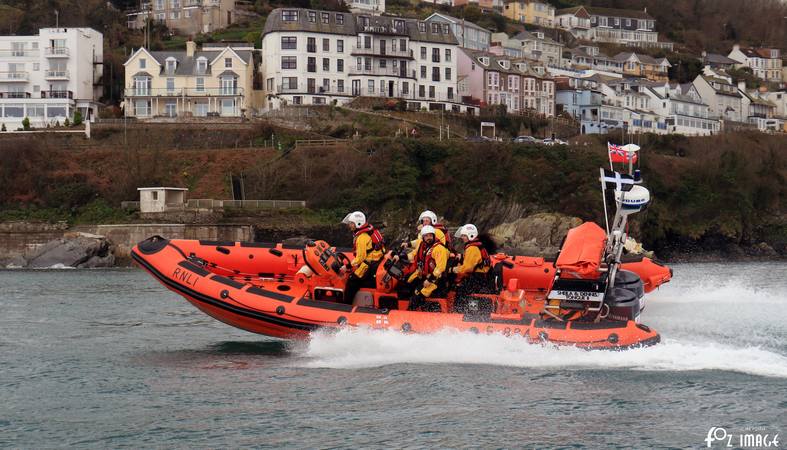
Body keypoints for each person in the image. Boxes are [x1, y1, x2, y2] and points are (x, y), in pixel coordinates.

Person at [341, 211, 385, 304]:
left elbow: (360, 257)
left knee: (351, 281)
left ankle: (346, 305)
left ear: (358, 223)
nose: (350, 225)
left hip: (370, 264)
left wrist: (347, 266)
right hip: (377, 260)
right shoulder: (370, 230)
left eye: (351, 223)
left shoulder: (361, 237)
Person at [451, 224, 495, 310]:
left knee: (460, 290)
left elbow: (468, 268)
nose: (462, 237)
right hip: (482, 277)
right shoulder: (475, 246)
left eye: (464, 235)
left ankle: (459, 310)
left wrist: (453, 269)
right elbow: (473, 260)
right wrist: (461, 257)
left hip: (479, 278)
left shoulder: (472, 248)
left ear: (471, 235)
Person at [407, 225, 450, 311]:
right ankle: (416, 311)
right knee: (408, 286)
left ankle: (412, 313)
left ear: (434, 236)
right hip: (425, 277)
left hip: (436, 280)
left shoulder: (439, 248)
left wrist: (429, 280)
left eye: (430, 235)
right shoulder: (423, 246)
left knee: (417, 295)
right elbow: (414, 255)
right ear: (423, 237)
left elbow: (440, 268)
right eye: (426, 236)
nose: (428, 238)